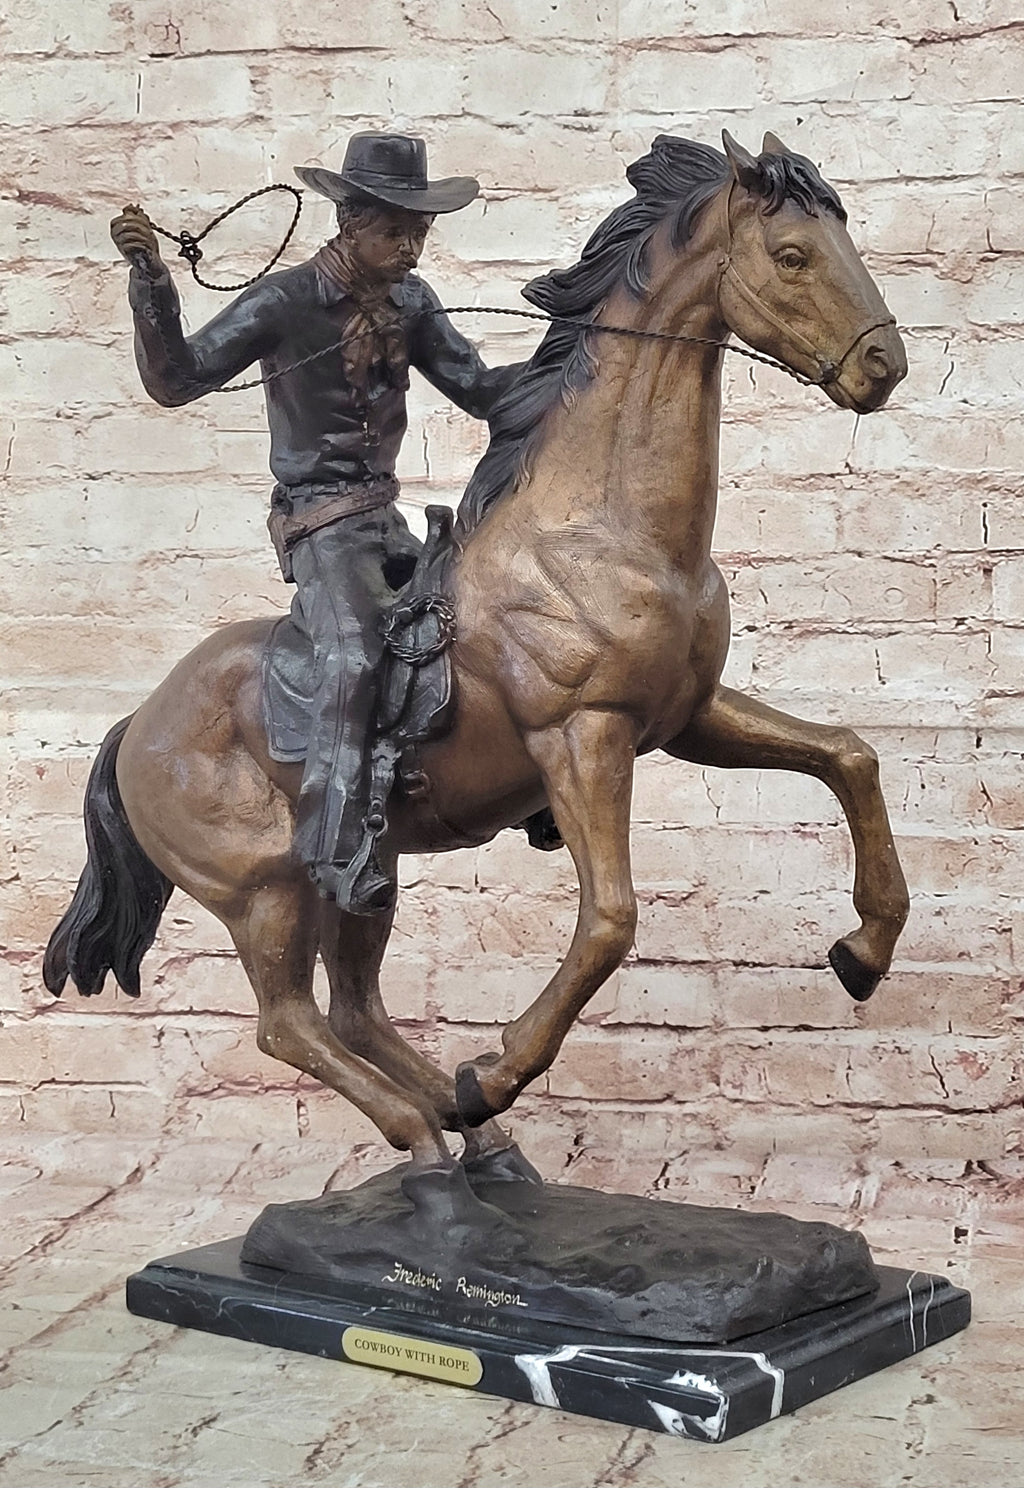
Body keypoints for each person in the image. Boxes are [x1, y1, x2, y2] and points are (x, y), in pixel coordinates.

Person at [111, 132, 521, 913]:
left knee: (485, 622)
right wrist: (152, 283)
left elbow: (479, 389)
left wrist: (582, 354)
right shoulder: (284, 302)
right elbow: (177, 378)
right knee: (355, 654)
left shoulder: (412, 301)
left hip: (386, 520)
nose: (411, 248)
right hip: (322, 526)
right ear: (351, 222)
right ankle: (335, 842)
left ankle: (526, 788)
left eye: (420, 232)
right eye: (395, 230)